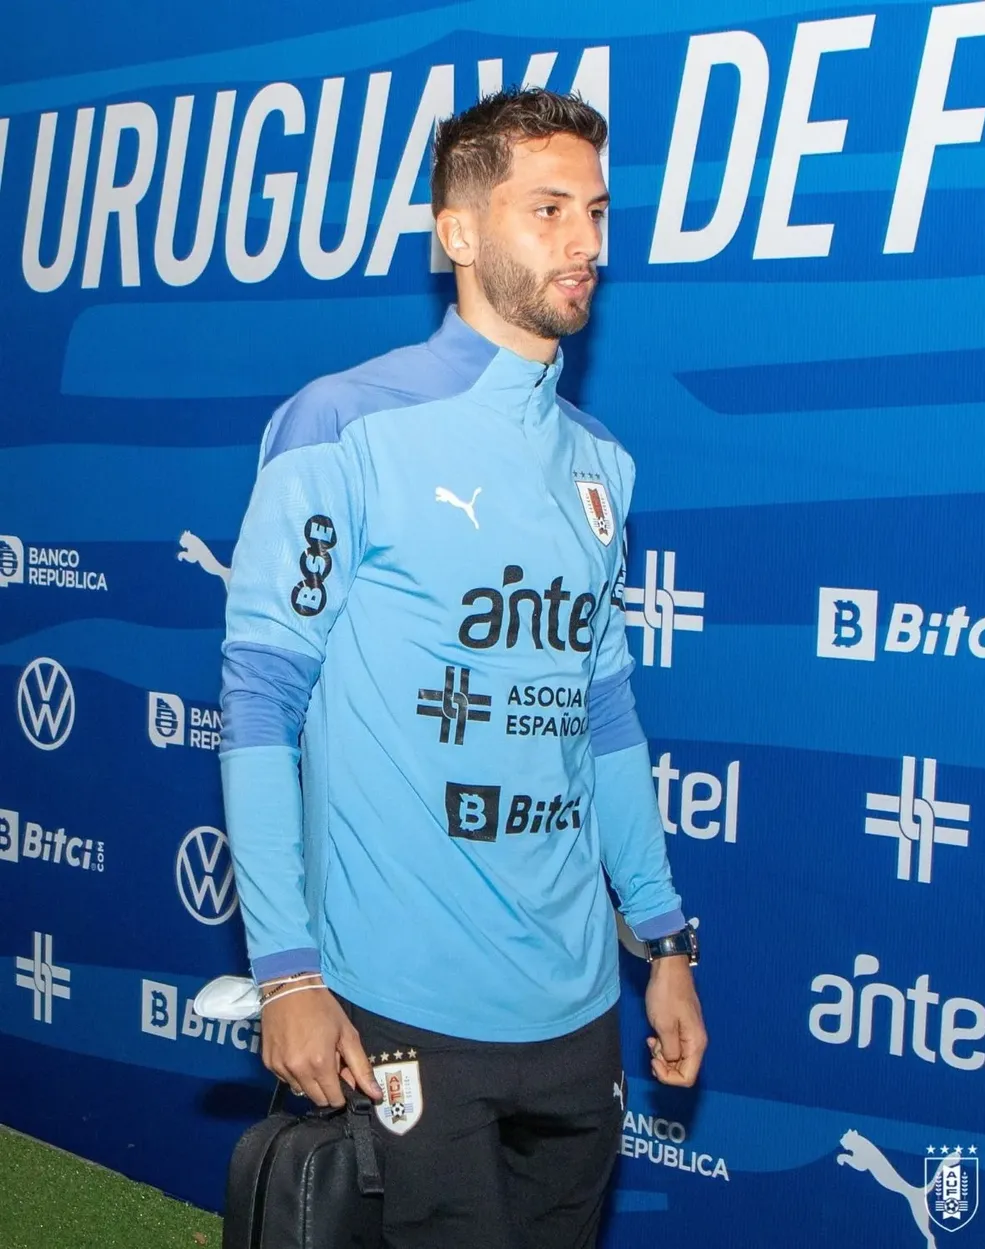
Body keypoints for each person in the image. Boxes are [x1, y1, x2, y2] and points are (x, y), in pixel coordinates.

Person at [220, 86, 707, 1249]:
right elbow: (259, 705)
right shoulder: (341, 425)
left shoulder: (603, 465)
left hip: (579, 1006)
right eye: (547, 209)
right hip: (398, 1007)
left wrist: (666, 946)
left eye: (594, 211)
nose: (585, 241)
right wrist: (288, 974)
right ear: (456, 231)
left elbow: (604, 721)